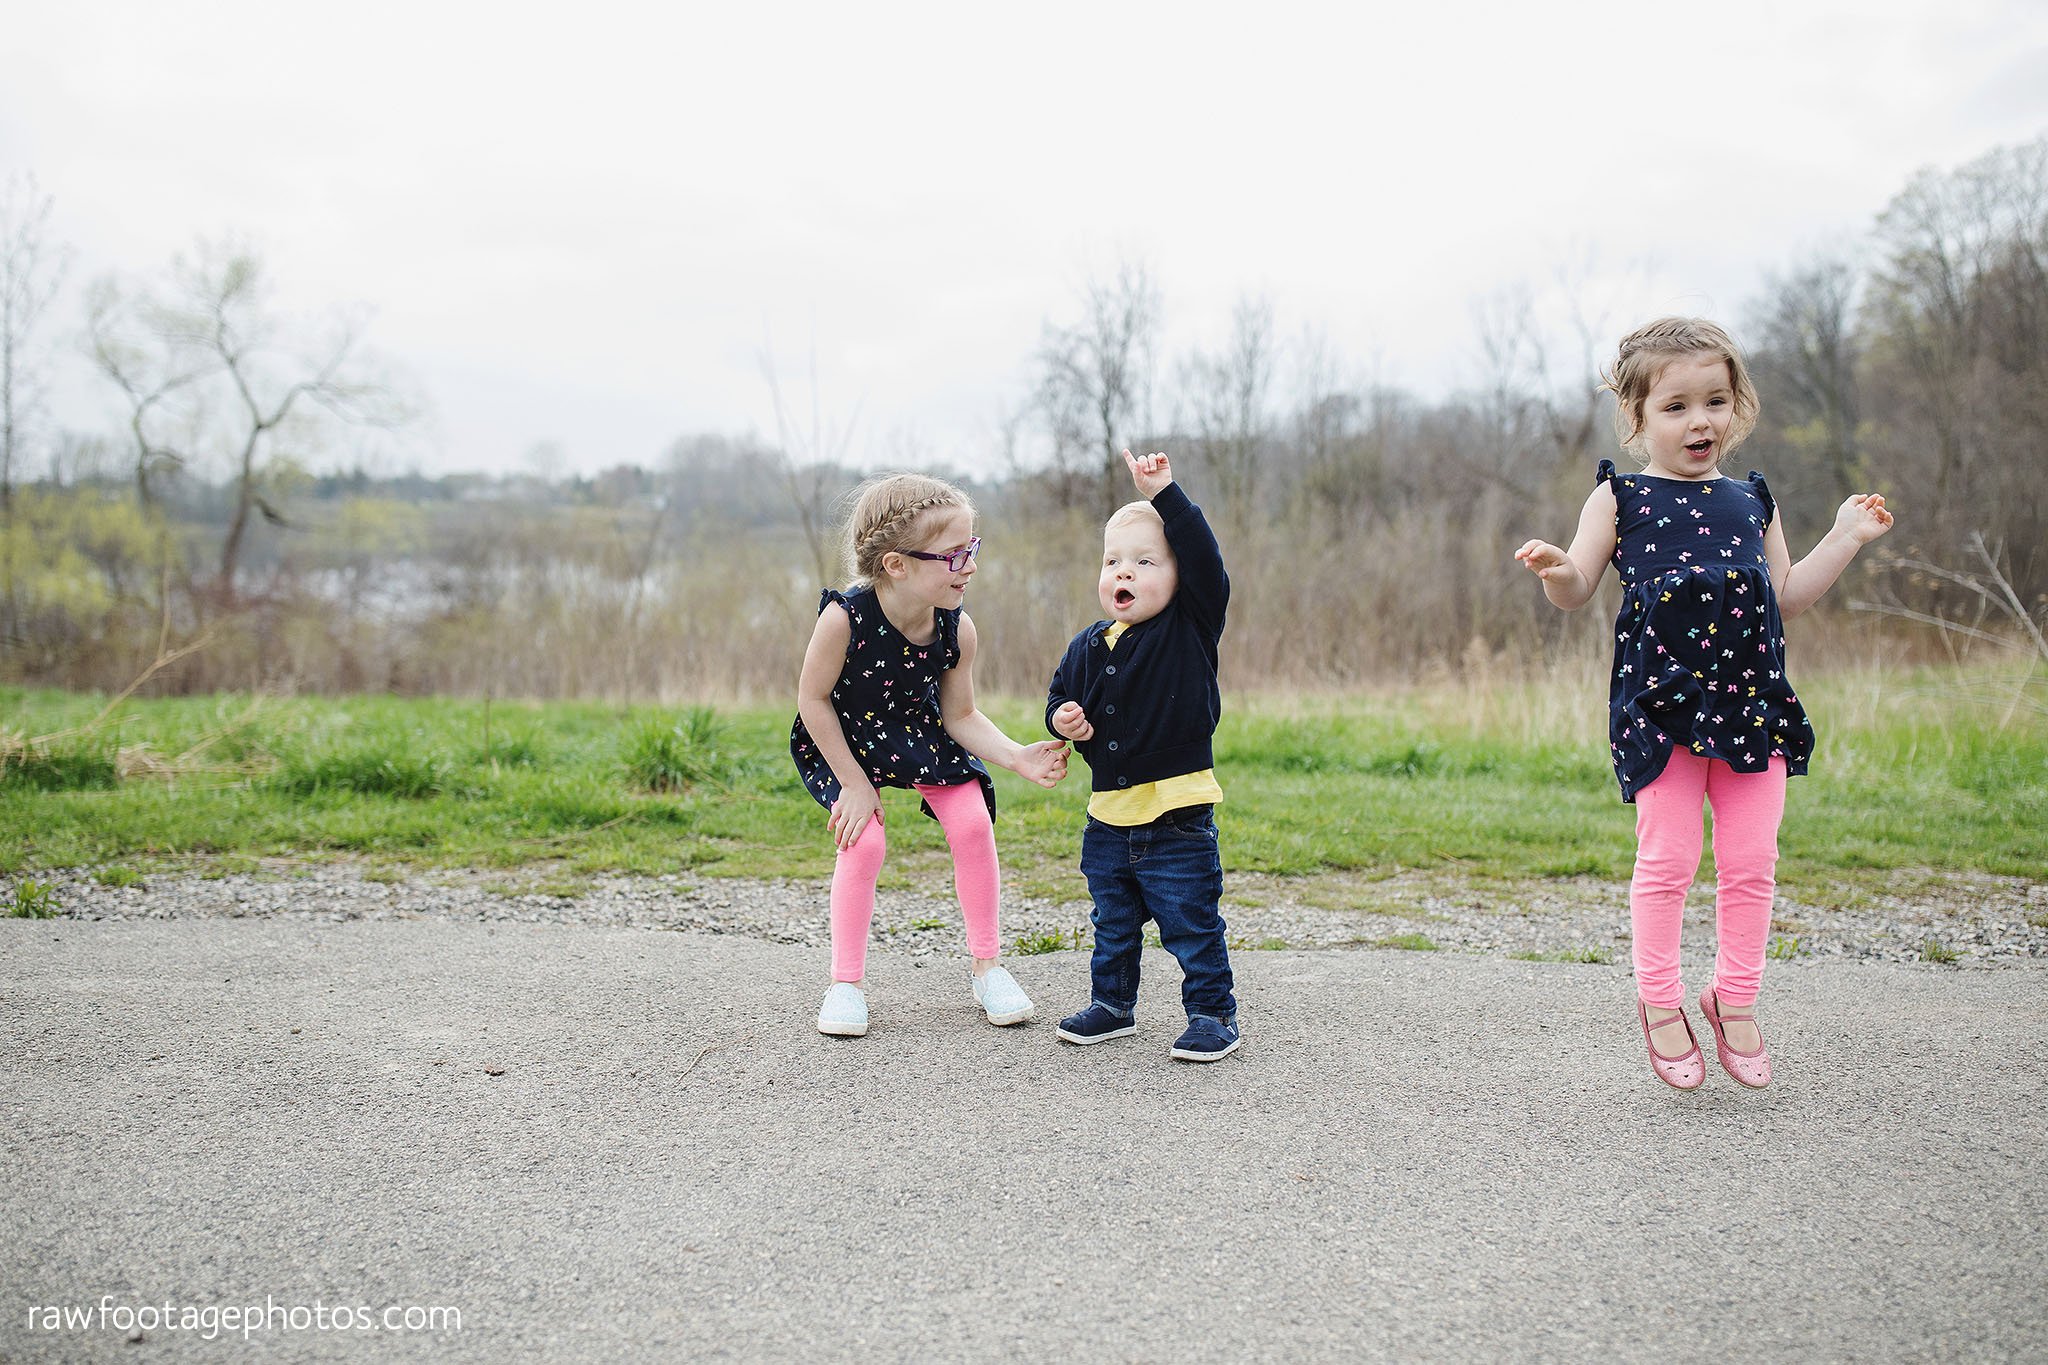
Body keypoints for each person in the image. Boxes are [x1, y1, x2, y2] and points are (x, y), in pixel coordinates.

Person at [1515, 317, 1893, 1090]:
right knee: (1669, 860)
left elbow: (1787, 596)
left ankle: (1735, 995)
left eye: (1715, 401)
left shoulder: (1752, 499)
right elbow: (1578, 589)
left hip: (1753, 705)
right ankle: (1659, 1001)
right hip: (1663, 710)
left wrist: (1846, 537)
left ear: (1737, 405)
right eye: (1677, 406)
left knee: (1753, 861)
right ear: (1638, 418)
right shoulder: (1619, 498)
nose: (1701, 421)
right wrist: (1556, 567)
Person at [791, 472, 1069, 1038]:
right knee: (863, 841)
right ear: (896, 564)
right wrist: (853, 785)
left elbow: (960, 715)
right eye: (953, 555)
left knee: (971, 824)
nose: (969, 565)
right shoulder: (843, 619)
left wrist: (1017, 756)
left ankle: (988, 969)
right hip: (847, 741)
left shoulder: (957, 628)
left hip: (920, 734)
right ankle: (845, 983)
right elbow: (812, 700)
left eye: (972, 548)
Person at [1046, 450, 1241, 1062]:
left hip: (1177, 815)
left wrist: (1164, 493)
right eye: (1112, 562)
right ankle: (1113, 1005)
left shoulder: (1190, 624)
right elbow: (1059, 694)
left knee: (1190, 921)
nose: (1122, 572)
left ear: (1180, 577)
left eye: (1144, 561)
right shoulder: (1088, 643)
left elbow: (1208, 562)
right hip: (1108, 816)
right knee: (1113, 922)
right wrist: (1062, 719)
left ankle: (1213, 1014)